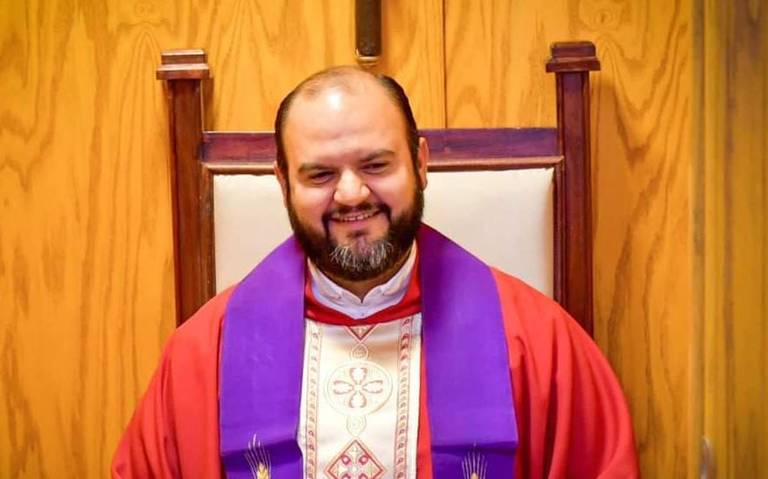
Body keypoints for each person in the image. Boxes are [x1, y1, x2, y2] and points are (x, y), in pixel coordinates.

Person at [112, 66, 638, 478]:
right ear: (283, 183)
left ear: (421, 163)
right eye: (321, 174)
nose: (351, 194)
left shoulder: (534, 342)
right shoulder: (206, 354)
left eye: (376, 165)